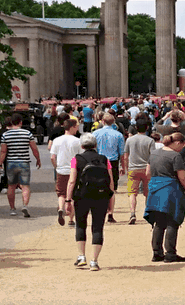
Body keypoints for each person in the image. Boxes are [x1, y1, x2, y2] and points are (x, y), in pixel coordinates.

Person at [67, 133, 114, 271]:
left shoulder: (76, 159)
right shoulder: (104, 159)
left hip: (81, 196)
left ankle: (81, 256)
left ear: (81, 146)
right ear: (95, 145)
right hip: (101, 196)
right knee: (97, 227)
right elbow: (110, 182)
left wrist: (68, 199)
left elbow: (71, 181)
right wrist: (110, 199)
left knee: (80, 225)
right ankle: (94, 261)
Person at [144, 132, 185, 263]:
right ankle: (170, 253)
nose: (182, 148)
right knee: (172, 221)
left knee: (159, 222)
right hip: (170, 189)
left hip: (155, 188)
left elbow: (148, 172)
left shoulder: (153, 153)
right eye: (182, 145)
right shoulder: (175, 156)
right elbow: (182, 176)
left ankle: (157, 252)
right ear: (177, 143)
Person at [0, 114, 41, 218]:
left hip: (11, 163)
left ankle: (12, 209)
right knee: (25, 185)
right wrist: (38, 159)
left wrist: (0, 164)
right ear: (20, 122)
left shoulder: (5, 135)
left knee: (11, 186)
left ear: (11, 122)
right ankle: (25, 205)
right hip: (24, 162)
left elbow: (3, 151)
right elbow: (34, 148)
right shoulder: (27, 133)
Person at [50, 118, 83, 227]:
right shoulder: (77, 141)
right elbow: (81, 156)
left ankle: (60, 208)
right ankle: (71, 219)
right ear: (72, 127)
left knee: (61, 193)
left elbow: (52, 157)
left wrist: (56, 167)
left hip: (61, 170)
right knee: (72, 194)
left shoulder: (57, 140)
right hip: (73, 170)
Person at [93, 113, 125, 223]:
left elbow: (93, 149)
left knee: (98, 188)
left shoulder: (95, 133)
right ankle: (110, 212)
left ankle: (99, 211)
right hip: (113, 162)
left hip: (99, 161)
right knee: (111, 188)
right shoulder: (119, 135)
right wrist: (123, 166)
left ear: (102, 121)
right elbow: (121, 153)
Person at [124, 122, 156, 225]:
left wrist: (126, 167)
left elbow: (125, 156)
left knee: (132, 193)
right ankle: (148, 213)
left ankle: (132, 213)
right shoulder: (150, 140)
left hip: (133, 168)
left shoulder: (129, 140)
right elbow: (153, 156)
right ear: (146, 128)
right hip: (146, 168)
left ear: (136, 128)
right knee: (148, 193)